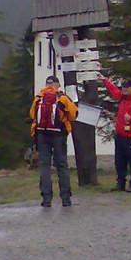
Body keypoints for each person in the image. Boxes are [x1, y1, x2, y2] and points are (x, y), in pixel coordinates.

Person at [29, 75, 78, 208]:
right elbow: (73, 115)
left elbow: (32, 115)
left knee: (44, 166)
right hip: (59, 135)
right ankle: (65, 199)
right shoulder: (62, 97)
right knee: (61, 166)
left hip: (42, 134)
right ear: (57, 84)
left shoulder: (39, 97)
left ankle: (46, 199)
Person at [100, 73, 131, 192]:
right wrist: (104, 80)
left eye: (127, 87)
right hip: (120, 134)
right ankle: (120, 183)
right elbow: (113, 90)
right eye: (123, 87)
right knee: (119, 161)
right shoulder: (121, 97)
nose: (124, 89)